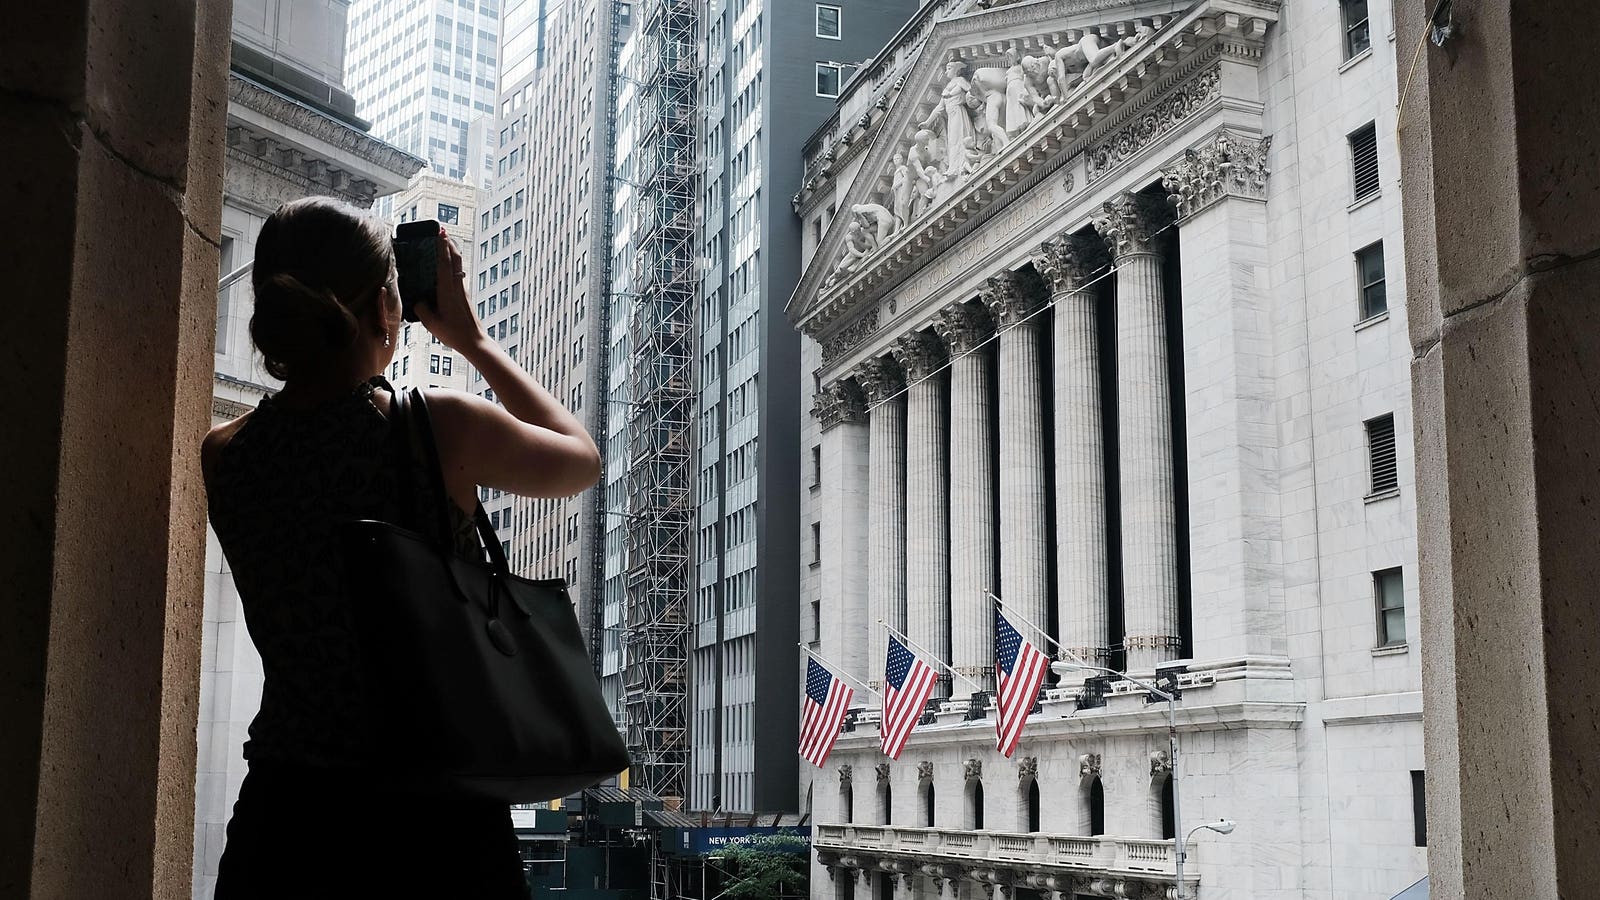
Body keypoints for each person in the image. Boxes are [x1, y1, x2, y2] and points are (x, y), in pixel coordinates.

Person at [204, 197, 600, 898]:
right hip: (436, 819)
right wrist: (473, 339)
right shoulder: (436, 427)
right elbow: (580, 461)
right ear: (386, 306)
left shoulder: (226, 454)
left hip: (285, 818)